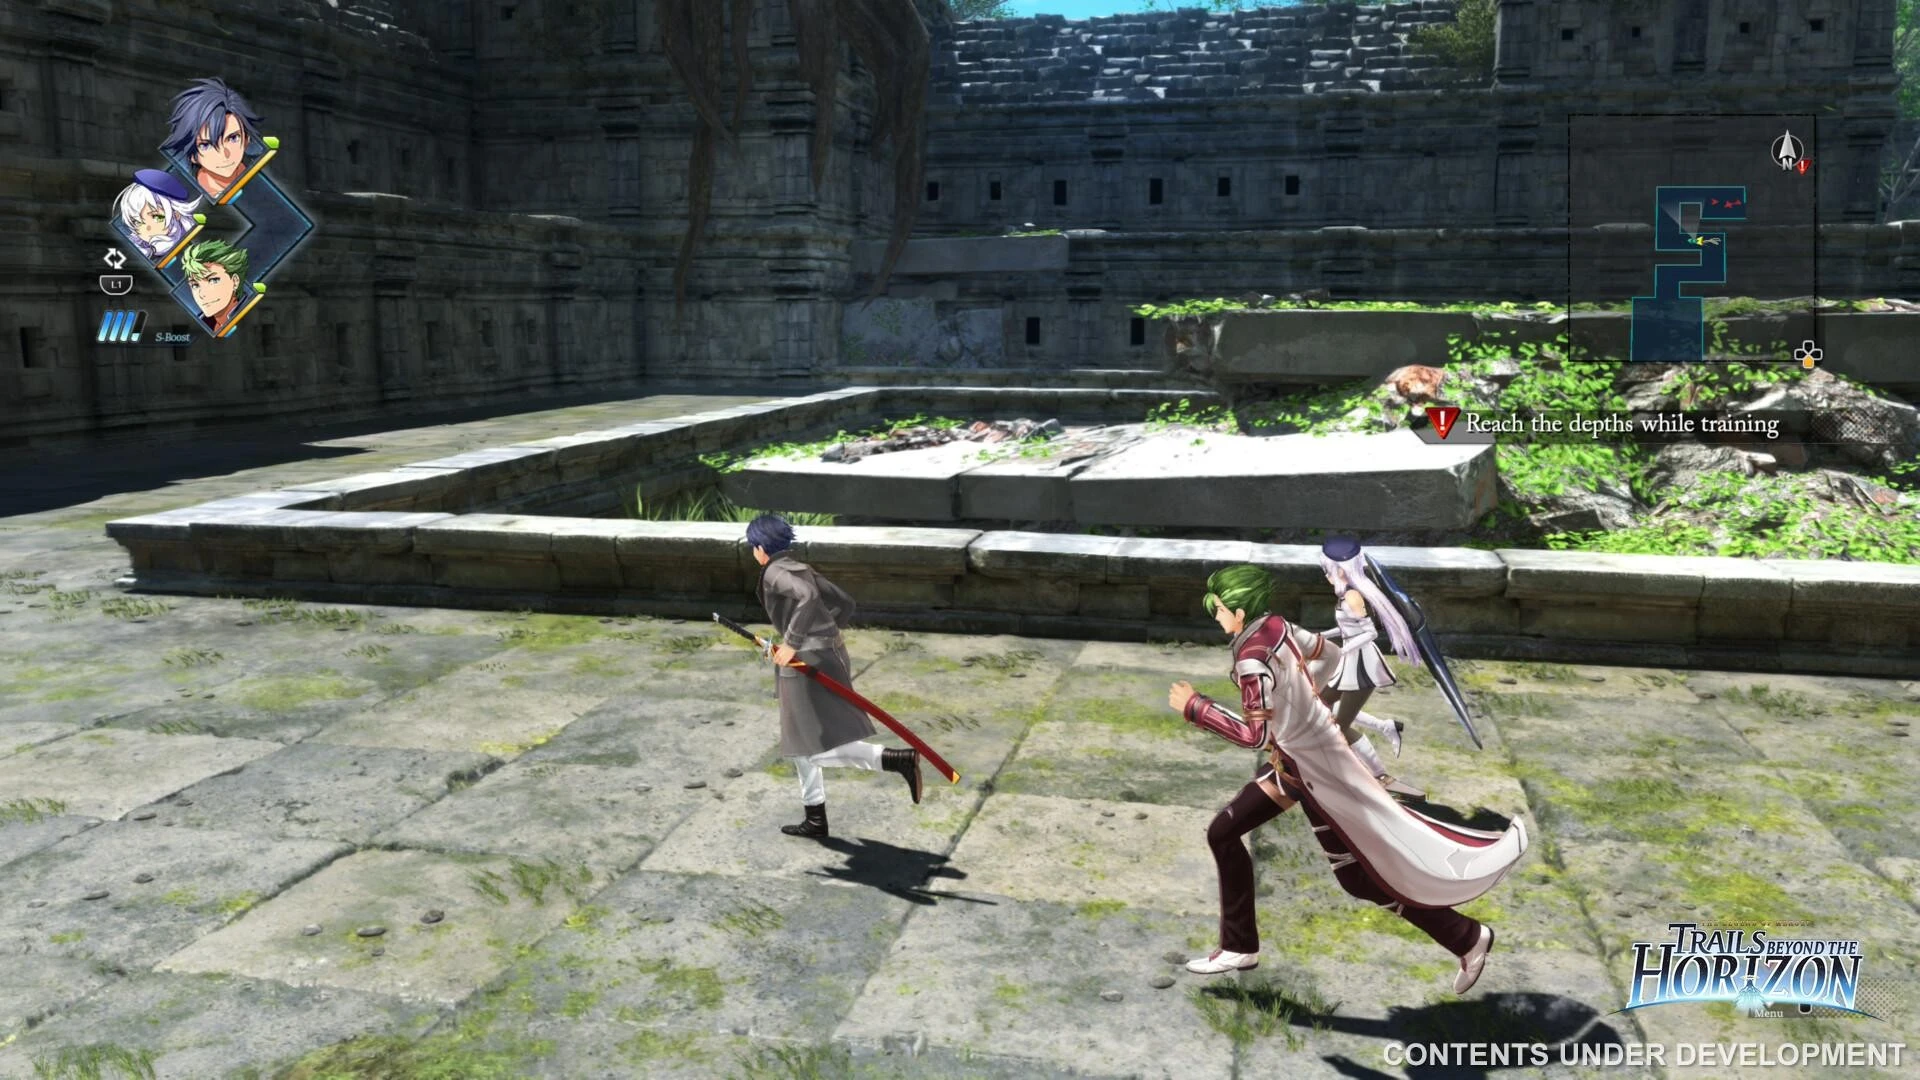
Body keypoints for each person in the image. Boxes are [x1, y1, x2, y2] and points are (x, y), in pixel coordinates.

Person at [1169, 564, 1527, 993]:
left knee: (1352, 872)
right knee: (1232, 835)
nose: (1216, 617)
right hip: (1297, 762)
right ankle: (1240, 946)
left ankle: (1465, 936)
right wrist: (1308, 706)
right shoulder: (1278, 627)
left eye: (1220, 609)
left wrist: (1197, 707)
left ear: (1240, 611)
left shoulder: (1250, 661)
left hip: (1314, 771)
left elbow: (1254, 736)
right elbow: (1333, 657)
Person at [749, 514, 922, 838]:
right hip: (830, 654)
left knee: (805, 746)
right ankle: (815, 817)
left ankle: (893, 760)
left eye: (753, 548)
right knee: (805, 741)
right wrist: (822, 633)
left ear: (760, 548)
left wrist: (794, 643)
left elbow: (808, 597)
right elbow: (844, 603)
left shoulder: (773, 571)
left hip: (806, 662)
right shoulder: (801, 567)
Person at [1317, 536, 1423, 799]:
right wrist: (1322, 636)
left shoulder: (1352, 596)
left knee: (1338, 728)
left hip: (1362, 666)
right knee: (1320, 704)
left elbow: (1370, 633)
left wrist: (1344, 649)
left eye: (1328, 570)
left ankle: (1381, 776)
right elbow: (1346, 629)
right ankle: (1386, 726)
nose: (1326, 575)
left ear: (1341, 570)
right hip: (1350, 662)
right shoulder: (1344, 594)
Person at [163, 78, 265, 199]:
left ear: (246, 139)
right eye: (206, 145)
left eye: (233, 138)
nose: (224, 154)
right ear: (192, 156)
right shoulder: (185, 196)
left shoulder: (258, 184)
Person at [112, 169, 200, 261]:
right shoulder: (140, 248)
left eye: (155, 217)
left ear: (176, 214)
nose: (147, 228)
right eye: (137, 222)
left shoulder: (190, 234)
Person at [180, 239, 251, 335]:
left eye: (213, 280)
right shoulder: (201, 324)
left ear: (235, 281)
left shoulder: (248, 313)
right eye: (195, 285)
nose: (202, 294)